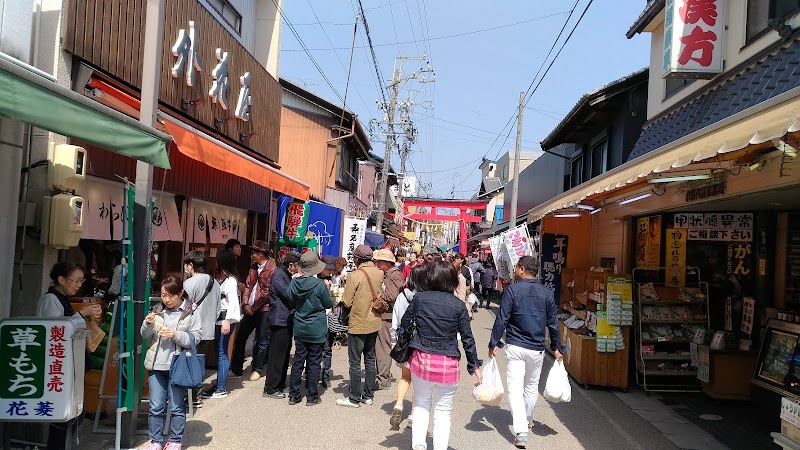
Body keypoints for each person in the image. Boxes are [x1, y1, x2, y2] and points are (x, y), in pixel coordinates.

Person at [400, 260, 482, 450]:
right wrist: (474, 367)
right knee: (443, 412)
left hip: (421, 360)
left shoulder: (420, 298)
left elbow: (405, 322)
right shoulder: (458, 305)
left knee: (421, 405)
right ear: (452, 280)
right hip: (448, 364)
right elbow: (468, 338)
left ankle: (419, 446)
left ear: (431, 277)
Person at [488, 256, 565, 449]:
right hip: (536, 348)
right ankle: (527, 420)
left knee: (515, 388)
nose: (515, 270)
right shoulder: (546, 293)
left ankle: (521, 431)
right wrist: (556, 347)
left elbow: (501, 319)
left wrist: (493, 343)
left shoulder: (512, 290)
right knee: (530, 387)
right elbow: (553, 324)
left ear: (522, 269)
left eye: (516, 268)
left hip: (515, 345)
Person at [38, 261, 102, 450]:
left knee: (73, 413)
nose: (78, 285)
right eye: (76, 281)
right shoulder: (51, 299)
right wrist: (82, 315)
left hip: (66, 363)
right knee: (66, 414)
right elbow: (55, 330)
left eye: (81, 281)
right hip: (57, 365)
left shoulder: (62, 298)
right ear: (61, 279)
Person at [141, 276, 202, 450]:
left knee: (176, 406)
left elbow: (196, 337)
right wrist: (147, 324)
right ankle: (155, 441)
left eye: (170, 295)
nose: (166, 299)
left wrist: (175, 335)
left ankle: (175, 440)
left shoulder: (191, 311)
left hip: (178, 365)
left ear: (181, 293)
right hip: (156, 365)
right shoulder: (157, 310)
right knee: (155, 406)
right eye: (163, 295)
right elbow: (144, 335)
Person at [336, 245, 384, 408]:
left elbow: (347, 301)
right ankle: (368, 395)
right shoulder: (379, 273)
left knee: (355, 361)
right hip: (374, 321)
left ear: (357, 259)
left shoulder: (355, 275)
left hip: (358, 322)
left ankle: (354, 398)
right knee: (370, 359)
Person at [287, 252, 334, 406]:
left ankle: (294, 395)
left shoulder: (294, 283)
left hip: (300, 326)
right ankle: (312, 396)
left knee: (298, 360)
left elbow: (290, 301)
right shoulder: (319, 285)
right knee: (314, 362)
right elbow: (328, 304)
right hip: (317, 328)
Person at [230, 240, 276, 381]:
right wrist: (245, 304)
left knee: (262, 340)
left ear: (261, 254)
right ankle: (236, 368)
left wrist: (253, 307)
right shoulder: (253, 268)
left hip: (264, 309)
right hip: (250, 308)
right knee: (241, 337)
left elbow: (267, 293)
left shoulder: (272, 269)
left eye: (254, 253)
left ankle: (257, 368)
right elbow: (248, 286)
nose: (252, 256)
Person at [389, 264, 428, 429]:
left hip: (404, 342)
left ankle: (398, 404)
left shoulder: (401, 297)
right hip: (421, 344)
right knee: (419, 383)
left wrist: (394, 341)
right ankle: (412, 416)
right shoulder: (427, 297)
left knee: (405, 377)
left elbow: (396, 321)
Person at [202, 250, 242, 399]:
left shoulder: (230, 281)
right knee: (220, 352)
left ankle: (221, 388)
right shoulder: (227, 279)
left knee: (222, 353)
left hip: (225, 320)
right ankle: (219, 385)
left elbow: (233, 302)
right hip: (221, 320)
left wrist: (227, 320)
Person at [263, 252, 301, 398]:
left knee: (284, 354)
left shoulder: (286, 275)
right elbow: (289, 294)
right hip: (279, 320)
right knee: (276, 355)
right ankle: (270, 387)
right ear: (291, 265)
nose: (298, 269)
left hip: (286, 319)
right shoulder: (279, 276)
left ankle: (279, 383)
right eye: (297, 266)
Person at [374, 248, 403, 391]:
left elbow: (393, 295)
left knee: (383, 348)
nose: (377, 263)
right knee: (382, 347)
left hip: (388, 315)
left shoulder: (393, 275)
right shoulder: (391, 274)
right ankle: (384, 376)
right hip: (388, 315)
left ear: (386, 263)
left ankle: (382, 379)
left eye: (379, 261)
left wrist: (379, 294)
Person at [318, 255, 338, 387]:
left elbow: (332, 301)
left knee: (327, 349)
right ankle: (310, 374)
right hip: (317, 318)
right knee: (315, 349)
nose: (331, 272)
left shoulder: (332, 279)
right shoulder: (314, 278)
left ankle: (325, 375)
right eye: (329, 269)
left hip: (329, 318)